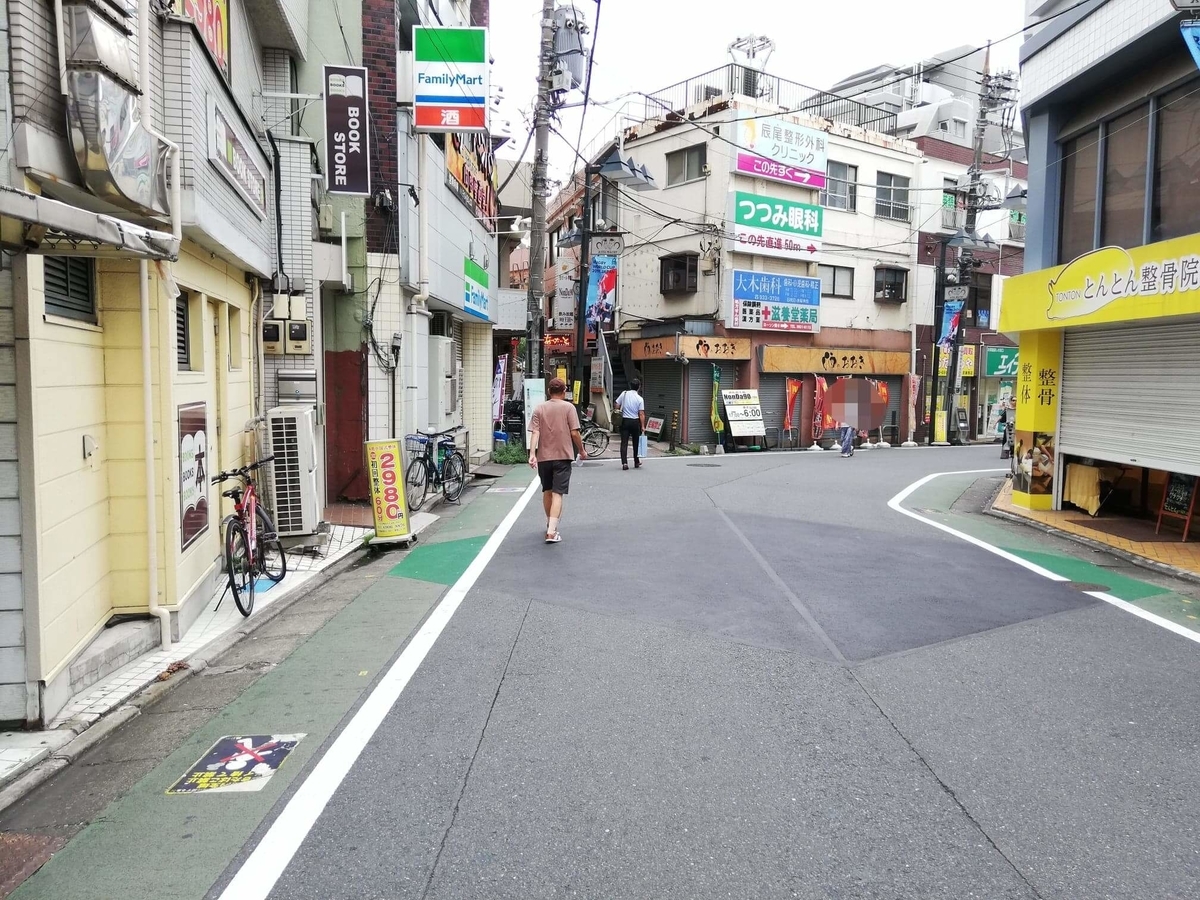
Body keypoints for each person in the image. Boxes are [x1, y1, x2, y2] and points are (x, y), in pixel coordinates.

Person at [528, 378, 586, 544]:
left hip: (544, 457)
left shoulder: (540, 408)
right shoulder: (569, 408)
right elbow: (574, 433)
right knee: (558, 493)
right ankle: (552, 532)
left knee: (547, 490)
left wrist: (532, 453)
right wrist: (581, 450)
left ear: (548, 391)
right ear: (564, 391)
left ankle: (550, 524)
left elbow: (535, 432)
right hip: (562, 456)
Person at [614, 378, 646, 470]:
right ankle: (636, 462)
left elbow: (617, 404)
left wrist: (619, 409)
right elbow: (641, 413)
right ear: (638, 387)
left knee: (624, 443)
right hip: (635, 422)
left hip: (625, 421)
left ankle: (624, 463)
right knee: (636, 443)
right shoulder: (640, 399)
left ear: (630, 386)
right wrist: (643, 426)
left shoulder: (624, 394)